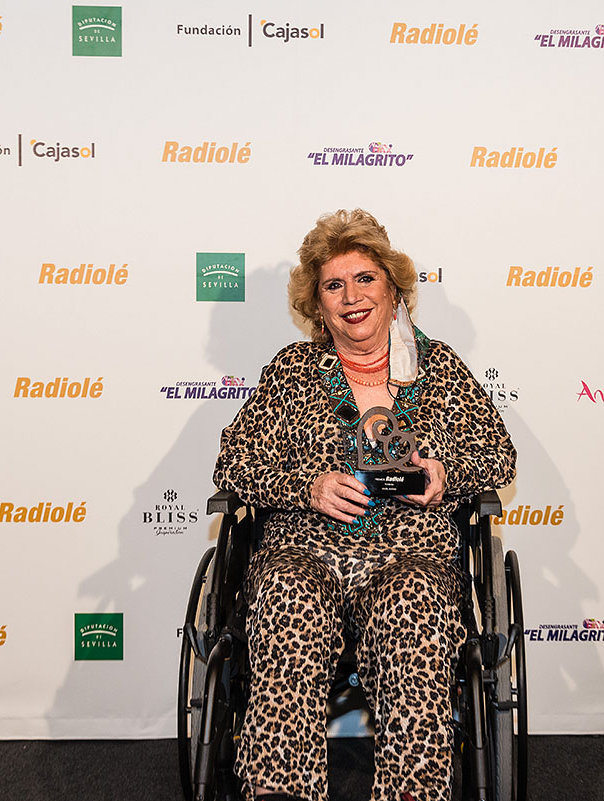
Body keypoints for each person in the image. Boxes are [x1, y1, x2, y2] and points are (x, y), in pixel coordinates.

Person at [213, 209, 516, 801]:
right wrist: (307, 486)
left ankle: (409, 791)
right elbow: (234, 465)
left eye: (365, 279)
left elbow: (498, 456)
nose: (351, 297)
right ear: (318, 305)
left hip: (411, 556)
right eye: (334, 285)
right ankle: (280, 791)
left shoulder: (440, 368)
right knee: (287, 599)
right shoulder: (292, 372)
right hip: (305, 552)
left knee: (414, 605)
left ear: (392, 288)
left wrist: (445, 473)